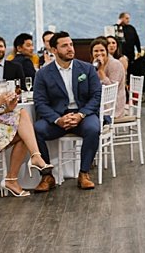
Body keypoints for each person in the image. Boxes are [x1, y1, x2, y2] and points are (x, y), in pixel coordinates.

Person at [0, 43, 53, 197]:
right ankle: (34, 159)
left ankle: (15, 176)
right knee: (24, 122)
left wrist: (9, 106)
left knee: (23, 123)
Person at [31, 32, 102, 191]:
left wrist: (80, 114)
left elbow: (96, 96)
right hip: (58, 117)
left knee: (93, 128)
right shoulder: (43, 74)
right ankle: (47, 176)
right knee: (37, 130)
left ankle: (84, 173)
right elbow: (40, 102)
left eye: (71, 44)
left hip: (83, 115)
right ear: (54, 50)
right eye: (65, 45)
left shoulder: (87, 69)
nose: (70, 48)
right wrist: (58, 120)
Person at [92, 38, 126, 119]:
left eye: (102, 50)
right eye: (96, 51)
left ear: (106, 51)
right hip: (101, 99)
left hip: (113, 105)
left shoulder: (115, 64)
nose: (99, 53)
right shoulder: (96, 63)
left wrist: (101, 71)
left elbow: (112, 90)